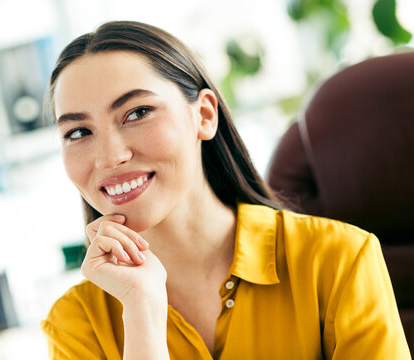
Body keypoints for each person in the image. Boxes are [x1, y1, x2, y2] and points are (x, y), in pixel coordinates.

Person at [40, 20, 410, 360]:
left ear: (204, 115)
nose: (110, 157)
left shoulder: (337, 259)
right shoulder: (77, 322)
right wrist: (142, 312)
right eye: (78, 133)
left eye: (137, 113)